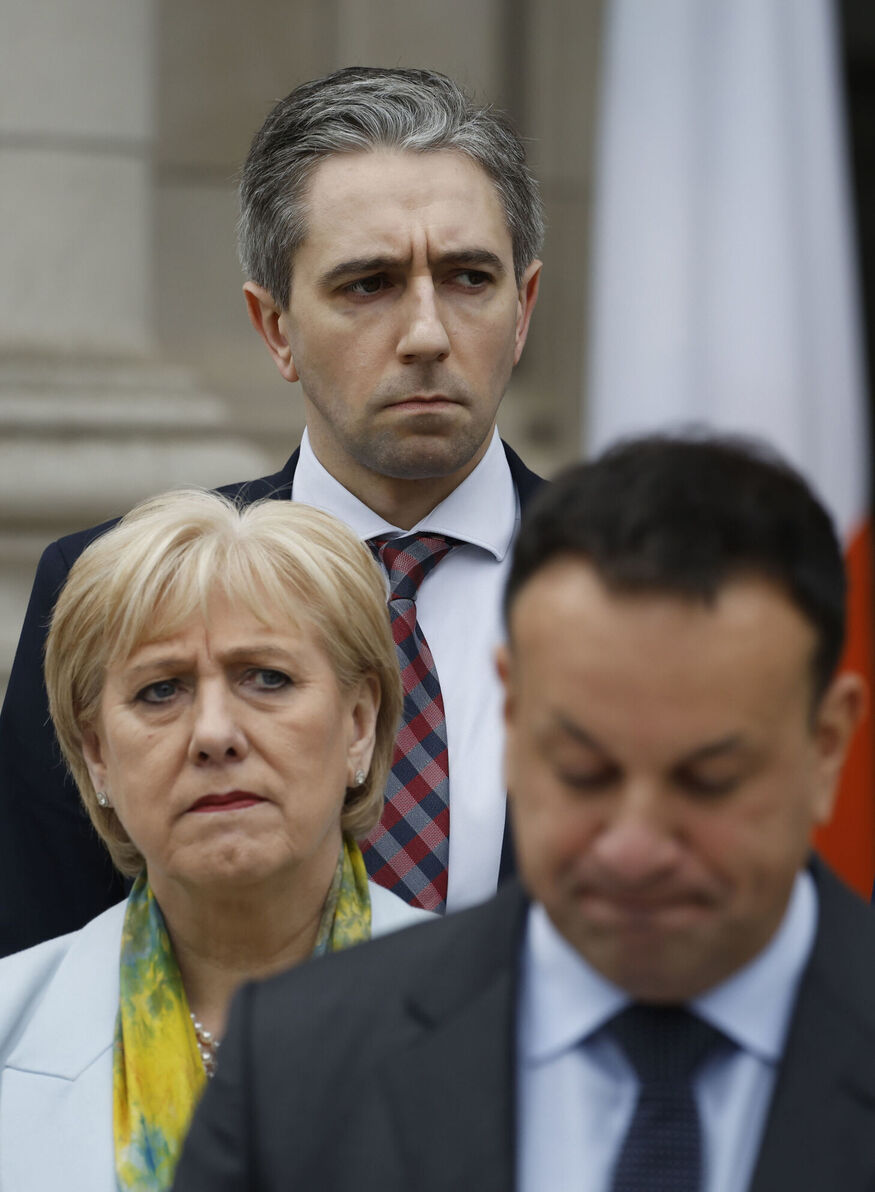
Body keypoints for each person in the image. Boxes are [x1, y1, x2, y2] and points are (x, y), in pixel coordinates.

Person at [172, 434, 875, 1192]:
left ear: (828, 746)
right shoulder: (297, 1066)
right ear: (510, 714)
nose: (634, 847)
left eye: (708, 781)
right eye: (582, 772)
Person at [0, 66, 544, 955]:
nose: (426, 334)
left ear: (522, 310)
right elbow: (41, 953)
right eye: (368, 284)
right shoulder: (108, 587)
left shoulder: (644, 588)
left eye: (467, 277)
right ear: (275, 327)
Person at [0, 489, 430, 1192]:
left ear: (357, 725)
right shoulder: (11, 1026)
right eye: (160, 690)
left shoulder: (502, 1026)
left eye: (267, 678)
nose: (213, 734)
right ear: (98, 754)